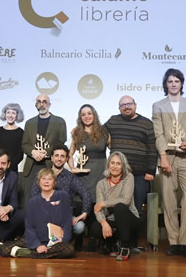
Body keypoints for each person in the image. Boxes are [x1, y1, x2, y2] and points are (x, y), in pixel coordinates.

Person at [152, 68, 186, 259]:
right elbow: (158, 133)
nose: (173, 84)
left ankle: (185, 242)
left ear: (181, 83)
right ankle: (173, 242)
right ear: (165, 84)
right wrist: (163, 156)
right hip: (167, 157)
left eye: (177, 81)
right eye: (170, 81)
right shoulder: (158, 105)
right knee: (169, 200)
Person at [104, 95, 157, 242]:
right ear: (119, 108)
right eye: (123, 105)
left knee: (136, 209)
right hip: (117, 175)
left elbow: (153, 148)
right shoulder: (113, 121)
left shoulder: (147, 123)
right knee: (117, 208)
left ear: (135, 105)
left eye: (129, 104)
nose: (126, 107)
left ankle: (132, 243)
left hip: (140, 175)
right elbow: (97, 131)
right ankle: (119, 242)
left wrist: (151, 170)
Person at [0, 168, 75, 259]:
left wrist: (63, 238)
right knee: (5, 249)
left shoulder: (63, 196)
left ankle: (28, 253)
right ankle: (33, 250)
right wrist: (37, 245)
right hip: (35, 239)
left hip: (55, 242)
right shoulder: (32, 202)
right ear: (38, 182)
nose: (46, 182)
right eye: (43, 179)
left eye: (50, 179)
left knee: (69, 250)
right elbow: (29, 226)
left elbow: (67, 221)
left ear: (54, 182)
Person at [31, 144, 91, 250]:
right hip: (44, 216)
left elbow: (85, 193)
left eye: (62, 156)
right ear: (52, 157)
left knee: (79, 227)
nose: (59, 159)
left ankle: (67, 241)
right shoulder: (42, 174)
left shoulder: (71, 177)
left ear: (67, 159)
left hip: (65, 218)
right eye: (57, 155)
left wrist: (84, 213)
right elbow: (34, 195)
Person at [90, 152, 140, 261]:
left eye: (118, 163)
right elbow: (98, 209)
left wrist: (104, 203)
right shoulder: (101, 184)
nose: (115, 166)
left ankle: (125, 246)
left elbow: (126, 200)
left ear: (123, 166)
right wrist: (104, 223)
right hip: (112, 220)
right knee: (95, 227)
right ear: (108, 165)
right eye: (112, 163)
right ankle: (113, 244)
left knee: (119, 207)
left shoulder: (128, 178)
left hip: (130, 218)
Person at [20, 94, 67, 208]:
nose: (42, 104)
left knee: (49, 200)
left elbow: (62, 141)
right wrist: (33, 152)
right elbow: (24, 144)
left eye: (45, 102)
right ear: (36, 104)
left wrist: (46, 152)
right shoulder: (29, 123)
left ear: (49, 104)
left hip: (50, 165)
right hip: (31, 165)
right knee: (29, 200)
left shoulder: (59, 121)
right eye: (39, 102)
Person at [68, 104, 110, 203]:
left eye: (89, 113)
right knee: (84, 202)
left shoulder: (103, 131)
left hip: (101, 173)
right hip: (84, 175)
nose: (87, 116)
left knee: (100, 203)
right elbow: (70, 154)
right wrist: (73, 168)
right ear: (80, 118)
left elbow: (113, 149)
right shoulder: (76, 133)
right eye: (83, 115)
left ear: (94, 115)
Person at [0, 103, 25, 173]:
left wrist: (8, 166)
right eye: (8, 112)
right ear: (5, 114)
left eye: (13, 113)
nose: (10, 115)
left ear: (17, 115)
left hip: (12, 170)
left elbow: (20, 154)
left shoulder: (21, 132)